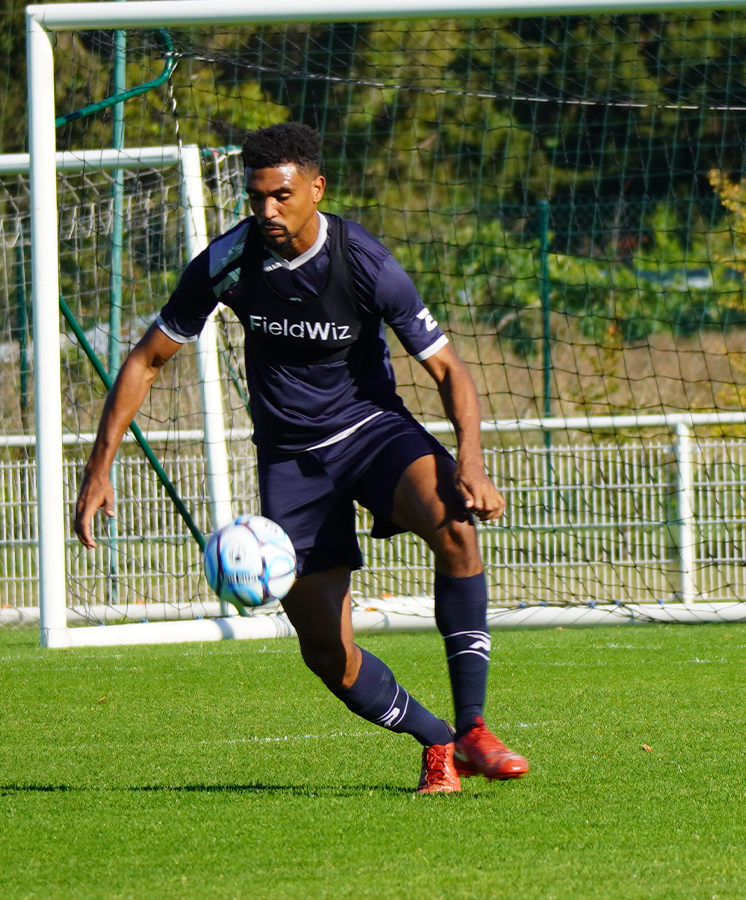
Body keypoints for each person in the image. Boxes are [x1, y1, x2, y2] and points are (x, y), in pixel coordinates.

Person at [74, 122, 527, 794]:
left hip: (372, 431)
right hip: (291, 462)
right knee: (328, 656)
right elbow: (146, 360)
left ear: (316, 188)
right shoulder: (228, 262)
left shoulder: (365, 259)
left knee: (456, 525)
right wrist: (98, 470)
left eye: (281, 196)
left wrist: (472, 464)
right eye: (256, 198)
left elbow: (449, 370)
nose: (267, 212)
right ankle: (437, 740)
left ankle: (476, 727)